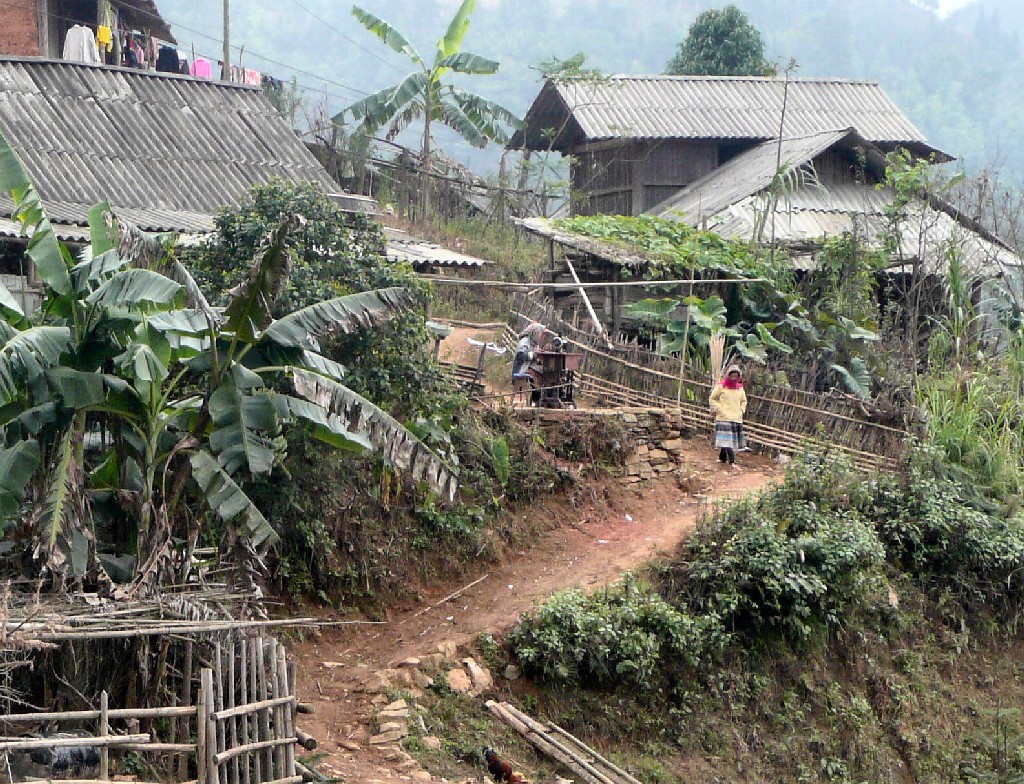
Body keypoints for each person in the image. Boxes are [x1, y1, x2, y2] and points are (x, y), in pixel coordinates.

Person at [709, 364, 747, 470]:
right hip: (723, 417)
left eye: (736, 376)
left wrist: (741, 410)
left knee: (726, 440)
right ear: (728, 375)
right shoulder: (721, 386)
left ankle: (722, 458)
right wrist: (719, 409)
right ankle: (732, 461)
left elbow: (744, 401)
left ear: (739, 377)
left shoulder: (740, 389)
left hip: (735, 417)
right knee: (727, 440)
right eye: (732, 376)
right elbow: (712, 398)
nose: (734, 378)